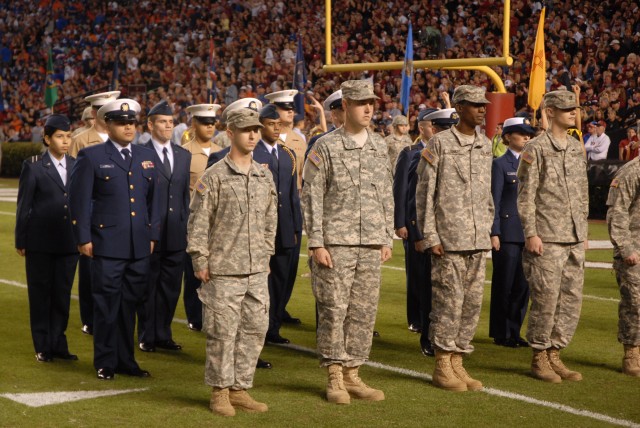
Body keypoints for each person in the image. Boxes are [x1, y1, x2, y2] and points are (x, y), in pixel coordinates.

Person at [301, 80, 393, 405]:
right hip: (335, 243)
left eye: (371, 103)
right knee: (333, 310)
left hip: (370, 242)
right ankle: (335, 375)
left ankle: (354, 373)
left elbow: (386, 193)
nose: (368, 109)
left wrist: (386, 236)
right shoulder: (325, 147)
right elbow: (310, 196)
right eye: (360, 103)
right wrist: (316, 243)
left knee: (364, 312)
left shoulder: (380, 146)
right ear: (346, 107)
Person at [187, 108, 277, 416]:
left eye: (255, 129)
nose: (253, 135)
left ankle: (240, 388)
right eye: (245, 130)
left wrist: (266, 254)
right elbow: (197, 222)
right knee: (222, 333)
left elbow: (270, 219)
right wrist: (200, 259)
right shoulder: (214, 176)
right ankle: (220, 391)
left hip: (255, 270)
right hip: (224, 269)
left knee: (255, 329)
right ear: (231, 134)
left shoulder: (264, 174)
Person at [69, 98, 160, 380]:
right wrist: (83, 236)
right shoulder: (92, 156)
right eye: (122, 123)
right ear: (108, 125)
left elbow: (153, 201)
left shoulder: (147, 155)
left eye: (132, 122)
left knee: (129, 306)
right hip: (106, 243)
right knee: (107, 305)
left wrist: (152, 234)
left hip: (138, 245)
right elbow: (79, 200)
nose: (128, 127)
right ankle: (105, 361)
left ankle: (126, 360)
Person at [415, 85, 493, 392]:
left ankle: (459, 360)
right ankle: (442, 364)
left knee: (472, 305)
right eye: (475, 105)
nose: (482, 109)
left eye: (483, 105)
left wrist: (489, 229)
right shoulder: (440, 144)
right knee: (448, 303)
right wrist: (431, 235)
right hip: (448, 239)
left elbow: (487, 194)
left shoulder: (486, 144)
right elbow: (424, 193)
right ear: (459, 107)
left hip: (477, 239)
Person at [517, 90, 589, 383]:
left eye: (574, 108)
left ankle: (555, 353)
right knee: (546, 299)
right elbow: (525, 195)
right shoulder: (536, 148)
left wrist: (581, 229)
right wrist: (531, 232)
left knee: (570, 299)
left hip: (573, 236)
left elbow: (582, 193)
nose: (573, 112)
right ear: (550, 111)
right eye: (566, 108)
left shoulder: (575, 147)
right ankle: (539, 355)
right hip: (547, 236)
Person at [15, 114, 79, 363]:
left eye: (68, 136)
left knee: (62, 294)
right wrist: (21, 240)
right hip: (40, 242)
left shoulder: (76, 164)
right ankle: (42, 345)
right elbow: (24, 206)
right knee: (41, 294)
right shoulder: (33, 166)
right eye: (60, 137)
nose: (65, 141)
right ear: (47, 138)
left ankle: (58, 343)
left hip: (68, 241)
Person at [137, 100, 191, 353]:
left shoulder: (183, 155)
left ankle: (164, 334)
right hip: (149, 232)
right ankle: (147, 335)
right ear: (150, 124)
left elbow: (183, 197)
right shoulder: (140, 154)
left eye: (171, 122)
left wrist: (187, 226)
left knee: (171, 288)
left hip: (176, 231)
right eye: (162, 122)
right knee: (148, 286)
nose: (168, 126)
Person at [407, 108, 459, 357]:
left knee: (455, 291)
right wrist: (418, 232)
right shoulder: (421, 155)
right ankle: (429, 337)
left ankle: (451, 338)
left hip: (458, 233)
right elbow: (414, 198)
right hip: (435, 233)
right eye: (447, 128)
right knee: (431, 289)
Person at [69, 90, 121, 336]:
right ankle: (89, 318)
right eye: (102, 109)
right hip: (91, 214)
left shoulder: (122, 137)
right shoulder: (81, 140)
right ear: (93, 112)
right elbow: (73, 183)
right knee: (90, 271)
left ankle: (113, 316)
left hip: (117, 214)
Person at [253, 104, 303, 346]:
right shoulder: (253, 153)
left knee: (280, 280)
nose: (276, 128)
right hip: (260, 229)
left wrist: (295, 228)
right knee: (260, 282)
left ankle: (273, 327)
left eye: (278, 124)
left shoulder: (287, 154)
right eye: (271, 124)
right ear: (260, 125)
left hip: (283, 228)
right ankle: (258, 328)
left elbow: (292, 195)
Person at [489, 117, 534, 348]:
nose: (527, 137)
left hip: (528, 233)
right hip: (506, 233)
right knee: (503, 284)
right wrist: (494, 231)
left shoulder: (532, 163)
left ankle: (515, 332)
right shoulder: (499, 164)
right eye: (521, 133)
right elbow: (494, 200)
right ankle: (501, 332)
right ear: (508, 136)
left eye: (528, 133)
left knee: (522, 286)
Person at [393, 108, 437, 336]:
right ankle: (416, 318)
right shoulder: (410, 152)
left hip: (436, 225)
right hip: (414, 223)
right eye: (433, 125)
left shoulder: (443, 151)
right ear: (422, 128)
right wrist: (400, 222)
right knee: (417, 273)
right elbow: (400, 189)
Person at [181, 103, 223, 332]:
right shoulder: (184, 152)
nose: (210, 127)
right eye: (205, 123)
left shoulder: (221, 151)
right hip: (194, 218)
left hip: (217, 221)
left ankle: (212, 310)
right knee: (193, 270)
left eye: (213, 123)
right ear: (194, 124)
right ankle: (194, 315)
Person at [264, 89, 304, 325]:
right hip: (269, 213)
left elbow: (297, 180)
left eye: (291, 109)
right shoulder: (261, 143)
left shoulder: (298, 141)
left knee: (287, 269)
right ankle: (269, 318)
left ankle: (280, 310)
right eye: (284, 108)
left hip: (290, 208)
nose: (289, 112)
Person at [606, 157, 640, 377]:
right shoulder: (632, 170)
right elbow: (616, 211)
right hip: (635, 250)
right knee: (635, 303)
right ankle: (632, 353)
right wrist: (626, 248)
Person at [304, 89, 344, 161]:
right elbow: (313, 167)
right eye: (344, 109)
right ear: (334, 114)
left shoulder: (360, 139)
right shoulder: (318, 141)